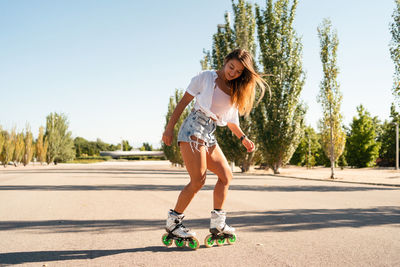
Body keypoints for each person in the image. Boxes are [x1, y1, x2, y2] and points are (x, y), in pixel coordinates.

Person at [162, 48, 266, 240]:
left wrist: (244, 139)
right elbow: (183, 102)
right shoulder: (205, 77)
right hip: (193, 129)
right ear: (226, 61)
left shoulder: (235, 91)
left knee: (226, 176)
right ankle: (173, 223)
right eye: (231, 67)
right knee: (198, 180)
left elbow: (231, 121)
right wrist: (169, 128)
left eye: (238, 71)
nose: (233, 72)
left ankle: (218, 223)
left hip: (209, 133)